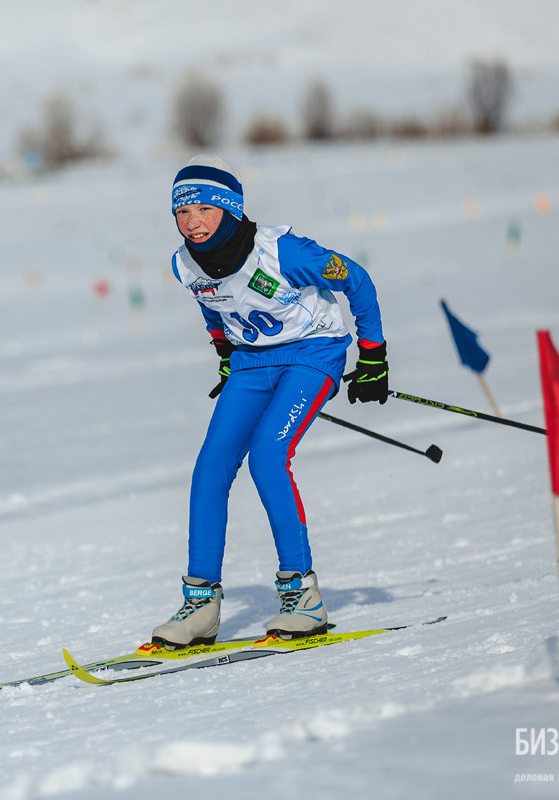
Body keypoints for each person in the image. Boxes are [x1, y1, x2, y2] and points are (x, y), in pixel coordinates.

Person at [152, 154, 388, 648]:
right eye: (181, 212)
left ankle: (303, 596)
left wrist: (373, 356)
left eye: (203, 210)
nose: (191, 223)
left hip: (312, 354)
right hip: (251, 363)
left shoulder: (286, 252)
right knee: (210, 467)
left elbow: (357, 280)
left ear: (230, 209)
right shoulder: (184, 264)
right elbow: (211, 303)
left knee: (268, 457)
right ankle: (201, 605)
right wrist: (223, 352)